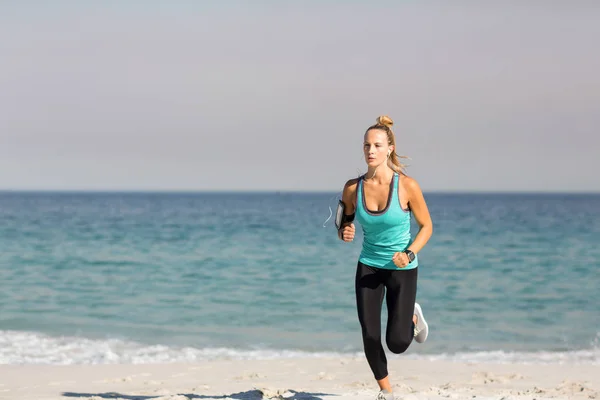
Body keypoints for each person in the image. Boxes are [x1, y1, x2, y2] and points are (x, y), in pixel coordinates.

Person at [337, 115, 433, 400]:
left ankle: (413, 318)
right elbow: (344, 220)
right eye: (367, 145)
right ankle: (386, 390)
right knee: (369, 334)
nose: (371, 151)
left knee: (398, 342)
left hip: (402, 267)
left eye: (377, 145)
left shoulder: (406, 186)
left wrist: (409, 252)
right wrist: (345, 230)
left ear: (389, 148)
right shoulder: (353, 188)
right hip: (369, 266)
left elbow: (427, 226)